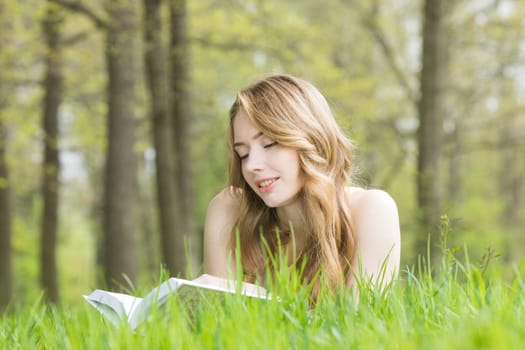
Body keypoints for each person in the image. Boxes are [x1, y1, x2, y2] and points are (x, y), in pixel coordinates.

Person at [197, 74, 400, 300]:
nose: (252, 165)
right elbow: (221, 323)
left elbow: (358, 324)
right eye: (242, 153)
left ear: (313, 139)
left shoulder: (372, 210)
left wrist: (254, 296)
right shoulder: (229, 210)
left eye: (269, 144)